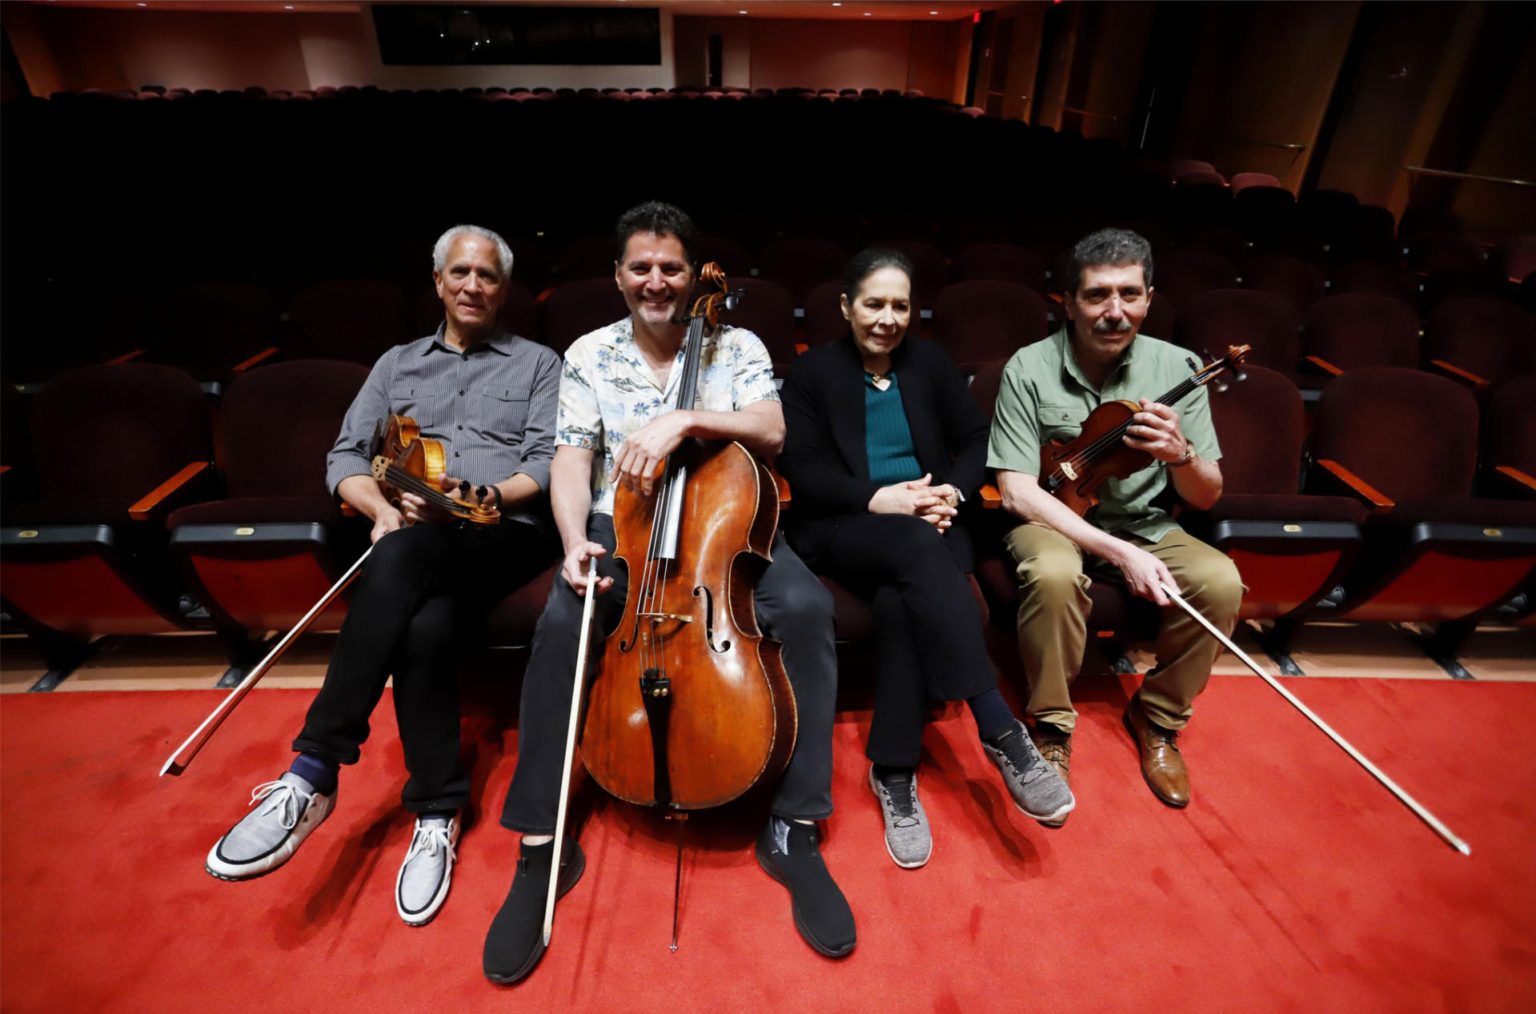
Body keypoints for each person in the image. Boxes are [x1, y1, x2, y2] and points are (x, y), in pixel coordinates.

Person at [482, 201, 854, 985]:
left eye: (672, 267)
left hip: (729, 529)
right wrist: (573, 539)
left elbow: (771, 427)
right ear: (618, 276)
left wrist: (685, 417)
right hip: (623, 529)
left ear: (693, 275)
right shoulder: (588, 352)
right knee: (564, 619)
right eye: (641, 267)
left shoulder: (735, 343)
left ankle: (796, 826)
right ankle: (542, 841)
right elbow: (572, 457)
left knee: (809, 610)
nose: (657, 281)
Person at [205, 225, 562, 928]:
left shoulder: (537, 363)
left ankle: (313, 769)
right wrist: (377, 508)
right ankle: (438, 808)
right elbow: (344, 458)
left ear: (504, 288)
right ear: (437, 280)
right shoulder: (396, 364)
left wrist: (491, 496)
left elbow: (548, 460)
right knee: (424, 625)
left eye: (487, 276)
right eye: (460, 272)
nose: (473, 286)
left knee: (402, 563)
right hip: (415, 537)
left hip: (503, 533)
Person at [777, 248, 1073, 869]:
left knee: (901, 602)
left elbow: (973, 442)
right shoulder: (812, 374)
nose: (888, 318)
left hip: (930, 526)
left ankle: (892, 771)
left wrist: (951, 494)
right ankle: (999, 726)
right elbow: (801, 469)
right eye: (874, 303)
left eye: (900, 305)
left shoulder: (930, 363)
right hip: (845, 527)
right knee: (914, 548)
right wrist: (880, 498)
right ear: (845, 307)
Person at [987, 227, 1243, 820]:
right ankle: (1051, 725)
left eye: (1129, 294)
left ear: (1149, 297)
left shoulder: (1178, 368)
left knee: (1222, 581)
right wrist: (1115, 552)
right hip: (1054, 518)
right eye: (1098, 295)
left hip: (1144, 522)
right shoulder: (1029, 366)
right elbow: (1018, 491)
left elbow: (1206, 496)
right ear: (1069, 302)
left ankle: (1157, 717)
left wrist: (1182, 454)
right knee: (1051, 572)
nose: (1114, 310)